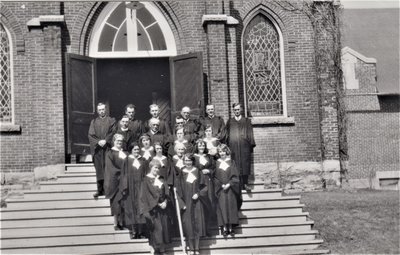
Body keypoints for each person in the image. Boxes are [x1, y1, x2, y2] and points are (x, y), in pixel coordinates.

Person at [176, 153, 208, 255]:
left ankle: (197, 249)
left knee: (197, 224)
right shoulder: (181, 173)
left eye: (189, 160)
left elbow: (204, 186)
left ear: (192, 161)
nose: (188, 162)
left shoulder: (197, 171)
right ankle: (191, 248)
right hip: (187, 203)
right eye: (186, 160)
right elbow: (178, 190)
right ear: (183, 161)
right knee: (189, 226)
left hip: (197, 202)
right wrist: (182, 204)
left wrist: (198, 194)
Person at [140, 159, 171, 255]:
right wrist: (158, 204)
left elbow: (167, 193)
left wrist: (165, 202)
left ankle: (162, 250)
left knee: (163, 229)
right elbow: (147, 195)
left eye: (158, 168)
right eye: (155, 167)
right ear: (151, 167)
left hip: (163, 209)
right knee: (157, 230)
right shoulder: (146, 180)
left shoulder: (161, 179)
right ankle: (156, 250)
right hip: (153, 209)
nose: (157, 169)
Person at [88, 103, 117, 199]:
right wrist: (98, 142)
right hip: (98, 150)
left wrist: (106, 140)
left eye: (103, 109)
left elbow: (113, 132)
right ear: (97, 111)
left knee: (107, 169)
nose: (102, 111)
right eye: (100, 110)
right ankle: (99, 190)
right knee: (99, 170)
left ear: (106, 110)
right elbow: (91, 135)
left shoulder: (111, 120)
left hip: (107, 149)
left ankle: (108, 190)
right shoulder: (94, 122)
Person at [226, 103, 256, 191]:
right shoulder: (230, 121)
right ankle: (238, 184)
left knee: (245, 164)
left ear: (241, 110)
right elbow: (227, 134)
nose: (237, 111)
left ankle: (245, 184)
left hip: (244, 147)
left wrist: (250, 145)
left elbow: (250, 133)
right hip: (234, 147)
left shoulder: (246, 121)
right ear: (233, 111)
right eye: (235, 110)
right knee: (236, 164)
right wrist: (228, 146)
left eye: (238, 109)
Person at [121, 143, 147, 239]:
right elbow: (124, 175)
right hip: (130, 189)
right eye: (134, 149)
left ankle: (140, 231)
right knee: (131, 209)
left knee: (141, 208)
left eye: (138, 149)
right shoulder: (127, 160)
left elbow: (146, 174)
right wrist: (125, 188)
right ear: (131, 150)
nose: (136, 151)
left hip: (141, 187)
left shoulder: (143, 160)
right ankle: (133, 231)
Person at [214, 144, 240, 237]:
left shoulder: (231, 162)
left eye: (223, 151)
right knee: (223, 207)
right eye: (220, 151)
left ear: (227, 151)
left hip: (230, 188)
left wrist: (229, 184)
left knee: (230, 207)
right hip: (221, 189)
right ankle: (225, 228)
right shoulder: (216, 163)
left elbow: (235, 176)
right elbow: (215, 177)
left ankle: (231, 228)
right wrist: (220, 185)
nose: (222, 153)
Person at [193, 139, 218, 236]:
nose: (201, 147)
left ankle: (208, 228)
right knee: (201, 204)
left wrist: (209, 171)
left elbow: (213, 168)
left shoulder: (208, 157)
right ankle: (200, 230)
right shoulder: (194, 157)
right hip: (199, 183)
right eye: (200, 145)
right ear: (197, 146)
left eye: (203, 145)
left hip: (208, 182)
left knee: (209, 203)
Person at [104, 133, 127, 230]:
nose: (119, 143)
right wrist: (122, 174)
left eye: (121, 141)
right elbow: (111, 168)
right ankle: (115, 223)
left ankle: (122, 223)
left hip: (124, 181)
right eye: (118, 141)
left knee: (123, 202)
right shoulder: (110, 153)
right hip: (116, 182)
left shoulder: (125, 153)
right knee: (116, 203)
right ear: (114, 141)